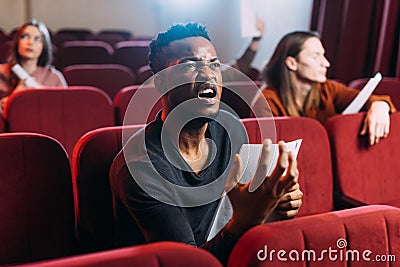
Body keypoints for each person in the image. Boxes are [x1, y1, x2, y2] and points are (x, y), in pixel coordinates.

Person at [110, 22, 302, 265]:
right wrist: (249, 218)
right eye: (190, 65)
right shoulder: (140, 169)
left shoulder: (230, 127)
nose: (208, 74)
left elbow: (234, 212)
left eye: (214, 65)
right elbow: (188, 262)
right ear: (161, 83)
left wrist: (275, 201)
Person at [252, 31, 396, 145]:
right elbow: (267, 150)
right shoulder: (266, 101)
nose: (326, 63)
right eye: (316, 56)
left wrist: (380, 106)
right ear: (292, 63)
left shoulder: (327, 89)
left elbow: (367, 99)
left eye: (324, 55)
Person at [0, 19, 67, 114]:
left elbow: (64, 112)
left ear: (44, 46)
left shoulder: (54, 77)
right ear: (17, 42)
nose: (30, 43)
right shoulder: (1, 72)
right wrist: (13, 98)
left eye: (38, 39)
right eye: (25, 36)